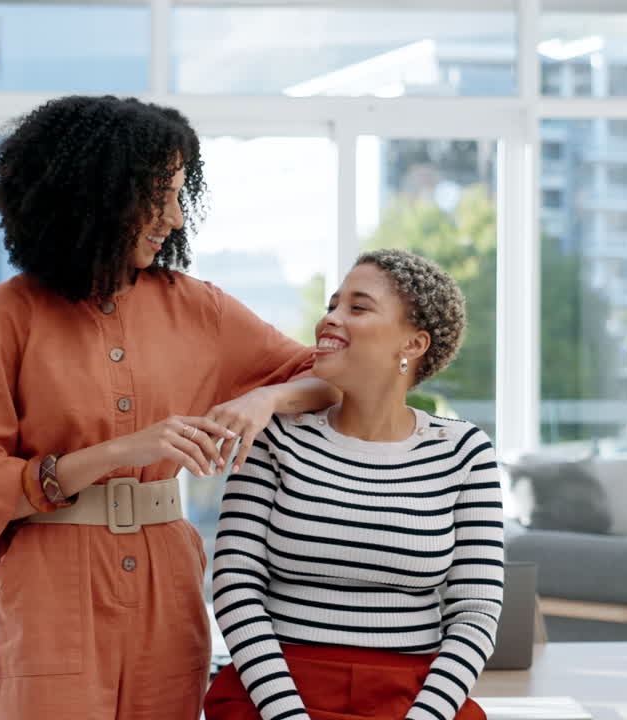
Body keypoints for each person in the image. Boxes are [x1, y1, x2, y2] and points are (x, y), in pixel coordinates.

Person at [0, 95, 339, 720]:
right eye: (159, 195)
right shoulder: (2, 318)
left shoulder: (199, 309)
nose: (176, 218)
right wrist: (124, 451)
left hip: (166, 581)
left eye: (182, 194)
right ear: (95, 192)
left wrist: (265, 398)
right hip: (51, 590)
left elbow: (334, 378)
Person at [206, 249, 503, 720]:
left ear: (413, 343)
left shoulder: (464, 452)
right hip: (273, 696)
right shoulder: (276, 438)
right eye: (331, 305)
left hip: (412, 698)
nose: (330, 320)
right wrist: (287, 714)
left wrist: (426, 715)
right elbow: (235, 584)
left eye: (357, 308)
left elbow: (476, 610)